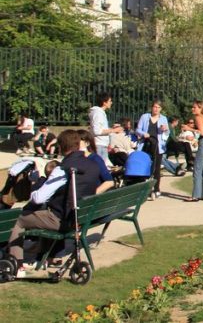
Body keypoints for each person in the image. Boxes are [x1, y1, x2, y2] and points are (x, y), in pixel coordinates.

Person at [5, 129, 102, 275]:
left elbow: (39, 198)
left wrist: (35, 182)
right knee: (43, 213)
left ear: (62, 147)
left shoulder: (63, 169)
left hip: (63, 219)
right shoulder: (93, 165)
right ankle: (40, 255)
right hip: (82, 218)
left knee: (17, 220)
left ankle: (17, 265)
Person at [137, 101, 174, 198]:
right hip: (146, 143)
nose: (156, 109)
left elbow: (167, 133)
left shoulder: (163, 118)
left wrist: (165, 129)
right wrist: (143, 134)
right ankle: (143, 188)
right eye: (154, 107)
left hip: (157, 145)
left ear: (161, 109)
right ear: (151, 107)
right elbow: (138, 129)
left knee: (156, 167)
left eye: (158, 107)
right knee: (145, 166)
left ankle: (156, 189)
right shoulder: (145, 117)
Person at [88, 92, 122, 165]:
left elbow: (100, 128)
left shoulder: (101, 113)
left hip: (103, 144)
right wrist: (113, 130)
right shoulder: (98, 113)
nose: (111, 103)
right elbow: (96, 131)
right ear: (104, 102)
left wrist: (111, 129)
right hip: (99, 144)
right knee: (100, 167)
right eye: (110, 101)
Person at [77, 129, 115, 195]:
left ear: (87, 143)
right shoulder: (74, 159)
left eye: (77, 142)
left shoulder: (95, 159)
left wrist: (92, 195)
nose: (74, 145)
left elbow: (109, 182)